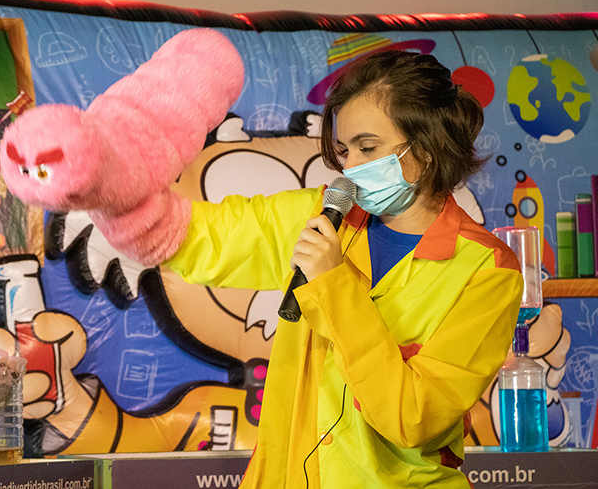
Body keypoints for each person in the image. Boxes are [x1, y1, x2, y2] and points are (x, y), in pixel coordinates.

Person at [163, 50, 524, 488]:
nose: (349, 168)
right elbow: (208, 236)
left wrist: (334, 284)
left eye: (367, 148)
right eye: (343, 150)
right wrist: (130, 204)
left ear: (426, 149)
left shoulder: (487, 269)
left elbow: (413, 416)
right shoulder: (322, 217)